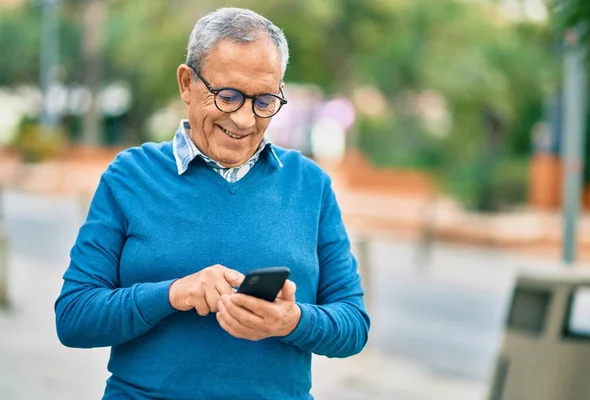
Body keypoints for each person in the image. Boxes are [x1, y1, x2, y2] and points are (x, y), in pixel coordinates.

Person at [54, 7, 370, 400]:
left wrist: (292, 321)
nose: (244, 119)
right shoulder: (129, 177)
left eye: (264, 101)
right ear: (187, 84)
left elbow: (353, 324)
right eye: (228, 96)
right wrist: (173, 294)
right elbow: (74, 317)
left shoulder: (311, 185)